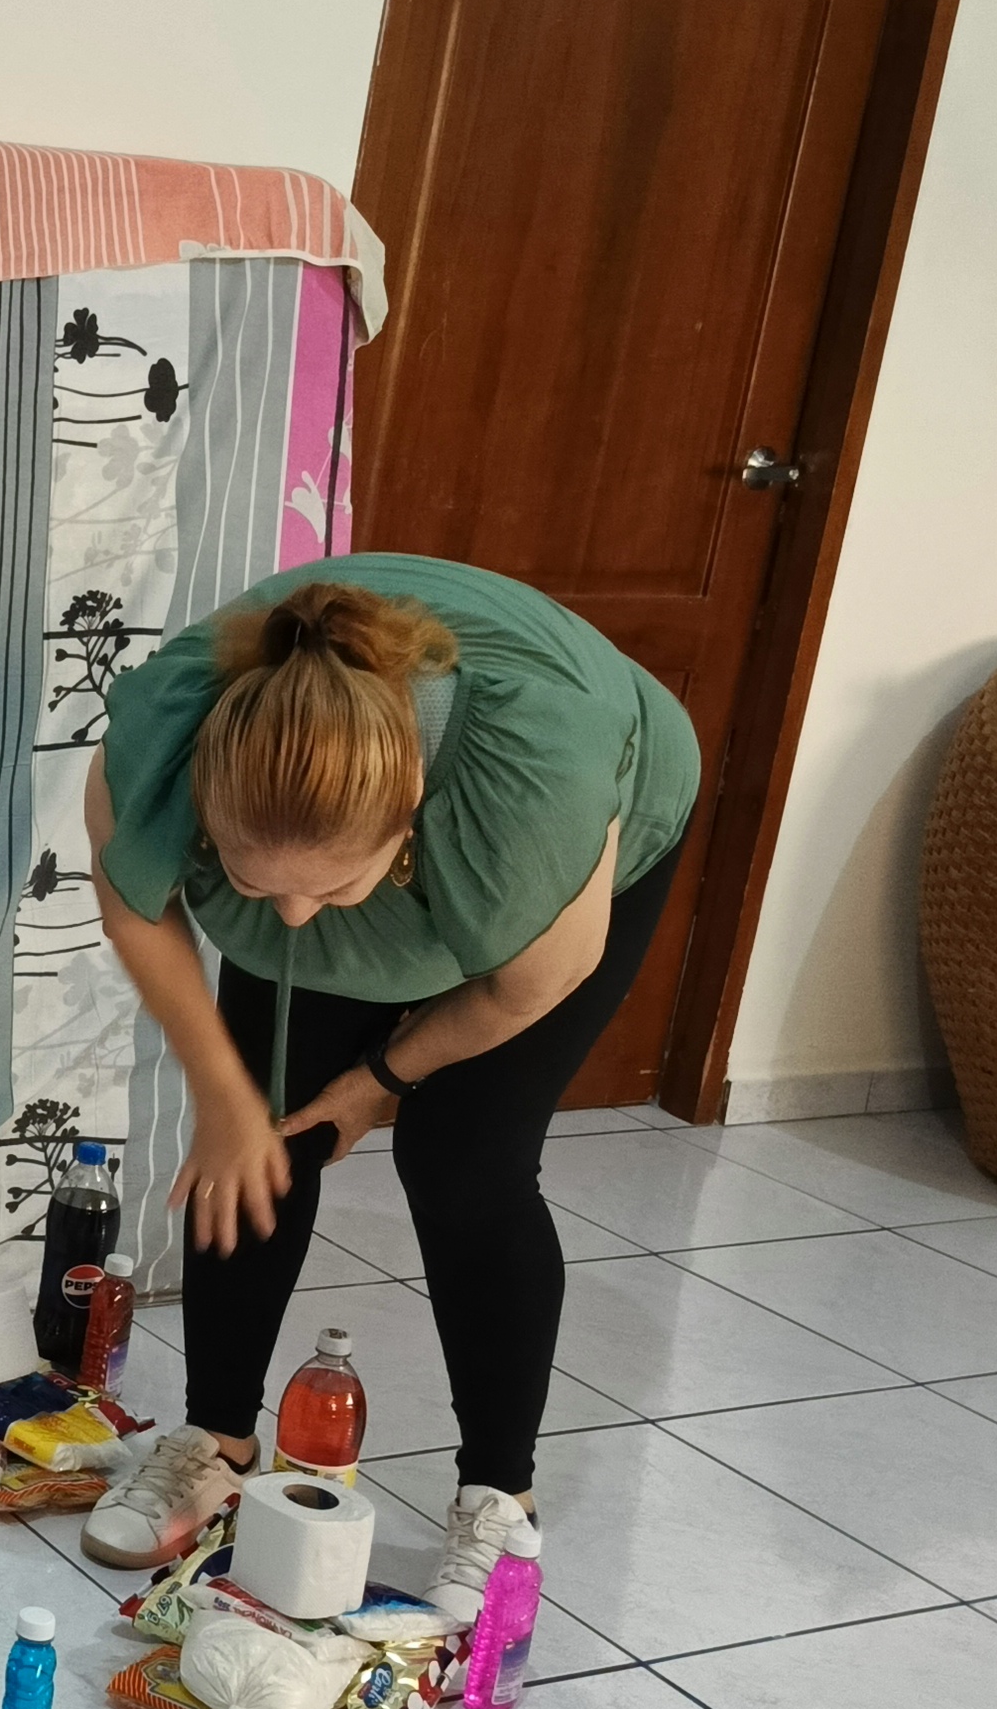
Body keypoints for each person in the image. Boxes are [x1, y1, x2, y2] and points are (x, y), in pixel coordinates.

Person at [81, 554, 701, 1615]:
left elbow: (520, 990)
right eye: (249, 883)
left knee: (465, 1166)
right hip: (327, 804)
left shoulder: (533, 794)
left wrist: (380, 1079)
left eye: (331, 890)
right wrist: (225, 1096)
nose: (288, 919)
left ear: (408, 811)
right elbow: (136, 912)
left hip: (587, 814)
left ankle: (499, 1495)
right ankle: (217, 1439)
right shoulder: (166, 739)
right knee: (260, 1137)